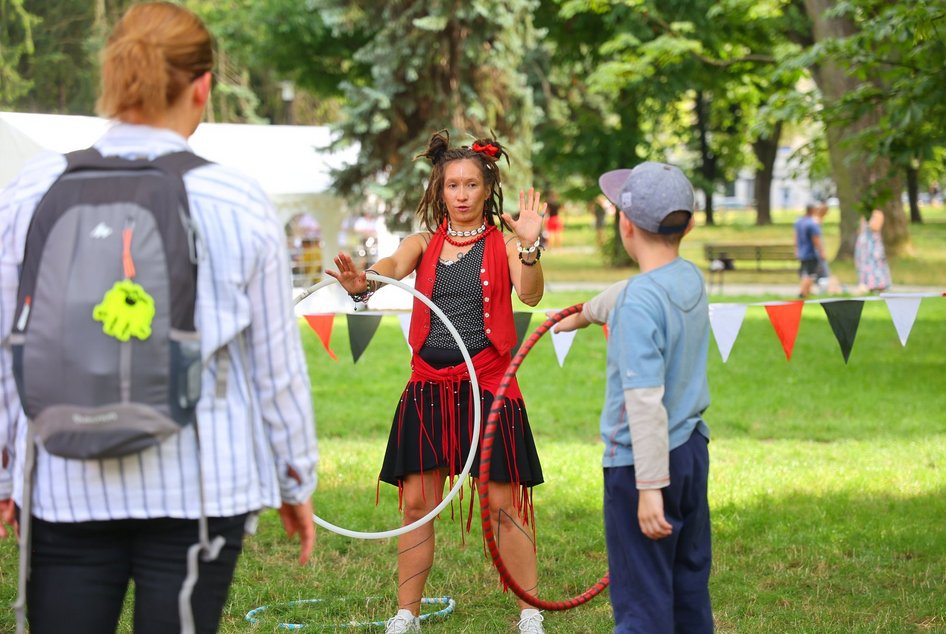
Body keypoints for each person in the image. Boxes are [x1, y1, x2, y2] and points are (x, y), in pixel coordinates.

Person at [0, 4, 318, 633]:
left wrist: (6, 467)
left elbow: (9, 343)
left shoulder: (31, 188)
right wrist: (294, 476)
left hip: (64, 475)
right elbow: (275, 365)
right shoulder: (236, 199)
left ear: (115, 78)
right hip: (200, 487)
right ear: (203, 86)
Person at [327, 130, 547, 634]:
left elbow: (531, 296)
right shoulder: (422, 243)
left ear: (487, 188)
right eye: (453, 185)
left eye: (472, 184)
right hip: (428, 388)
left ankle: (529, 611)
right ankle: (407, 613)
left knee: (502, 504)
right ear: (440, 190)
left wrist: (531, 248)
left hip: (489, 388)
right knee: (417, 502)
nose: (463, 194)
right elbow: (388, 270)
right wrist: (365, 284)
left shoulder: (508, 245)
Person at [554, 161, 712, 633]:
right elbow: (631, 290)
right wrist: (586, 313)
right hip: (690, 454)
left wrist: (648, 489)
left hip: (641, 466)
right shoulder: (688, 278)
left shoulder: (640, 303)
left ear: (625, 224)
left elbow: (643, 401)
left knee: (642, 601)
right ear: (686, 224)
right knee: (687, 587)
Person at [794, 201, 827, 298]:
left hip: (802, 252)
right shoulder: (812, 224)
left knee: (805, 272)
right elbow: (816, 240)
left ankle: (806, 291)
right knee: (810, 273)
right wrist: (822, 252)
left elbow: (795, 236)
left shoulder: (799, 222)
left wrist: (796, 249)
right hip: (810, 253)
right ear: (813, 210)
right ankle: (803, 293)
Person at [854, 208, 891, 293]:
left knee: (875, 266)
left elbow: (875, 227)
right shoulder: (865, 216)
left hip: (873, 247)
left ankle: (877, 285)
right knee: (864, 266)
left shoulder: (877, 214)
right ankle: (866, 284)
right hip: (864, 248)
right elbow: (860, 230)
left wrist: (868, 221)